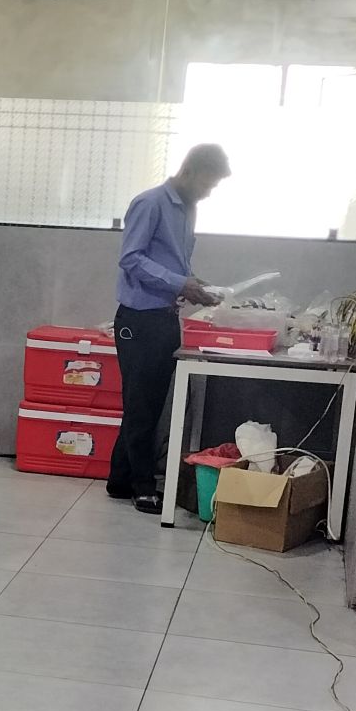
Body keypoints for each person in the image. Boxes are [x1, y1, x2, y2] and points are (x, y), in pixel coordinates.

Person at [108, 145, 231, 513]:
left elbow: (174, 262)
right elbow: (131, 258)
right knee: (141, 406)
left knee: (148, 405)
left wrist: (194, 284)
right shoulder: (150, 203)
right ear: (189, 171)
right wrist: (179, 283)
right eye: (206, 185)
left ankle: (119, 480)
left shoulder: (187, 209)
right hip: (138, 320)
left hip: (165, 318)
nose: (208, 193)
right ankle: (143, 487)